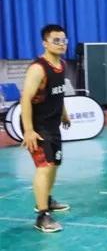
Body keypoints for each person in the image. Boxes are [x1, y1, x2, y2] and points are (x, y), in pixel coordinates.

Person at [20, 24, 71, 233]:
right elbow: (25, 99)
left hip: (53, 124)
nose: (61, 44)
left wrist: (64, 113)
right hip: (38, 126)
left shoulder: (62, 65)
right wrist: (29, 130)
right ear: (45, 43)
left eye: (63, 40)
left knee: (55, 163)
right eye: (56, 40)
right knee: (45, 166)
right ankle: (42, 216)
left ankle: (46, 199)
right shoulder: (38, 69)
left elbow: (57, 93)